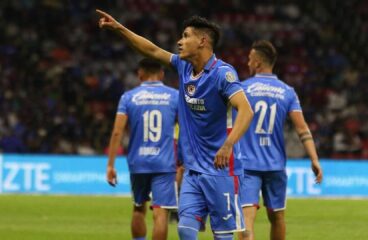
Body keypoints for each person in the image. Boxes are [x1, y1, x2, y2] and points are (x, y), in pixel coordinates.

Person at [97, 10, 254, 240]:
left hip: (222, 170)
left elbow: (247, 110)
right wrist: (119, 28)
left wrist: (228, 145)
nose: (180, 41)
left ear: (202, 41)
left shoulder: (223, 74)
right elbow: (151, 50)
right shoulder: (183, 66)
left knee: (222, 235)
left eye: (186, 35)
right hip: (192, 171)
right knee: (184, 229)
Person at [238, 40, 323, 240]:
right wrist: (314, 158)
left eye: (250, 60)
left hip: (247, 165)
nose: (248, 64)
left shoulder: (242, 89)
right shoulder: (287, 91)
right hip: (275, 165)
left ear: (258, 63)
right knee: (277, 218)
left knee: (246, 221)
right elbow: (302, 129)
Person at [106, 58, 179, 240]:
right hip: (164, 162)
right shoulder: (175, 96)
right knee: (161, 212)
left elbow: (117, 132)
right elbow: (185, 130)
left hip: (138, 161)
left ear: (140, 74)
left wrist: (110, 165)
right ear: (161, 74)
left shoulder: (128, 97)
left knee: (139, 207)